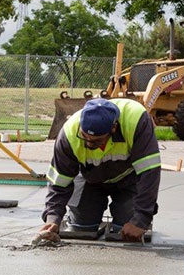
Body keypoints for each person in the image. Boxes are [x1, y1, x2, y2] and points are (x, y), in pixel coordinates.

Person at [36, 97, 161, 243]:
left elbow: (149, 173)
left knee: (127, 229)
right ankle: (82, 217)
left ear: (113, 128)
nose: (89, 144)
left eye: (96, 141)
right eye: (84, 137)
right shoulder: (69, 134)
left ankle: (128, 215)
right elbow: (59, 181)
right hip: (89, 180)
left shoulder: (136, 120)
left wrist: (141, 220)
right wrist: (53, 218)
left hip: (128, 179)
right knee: (82, 226)